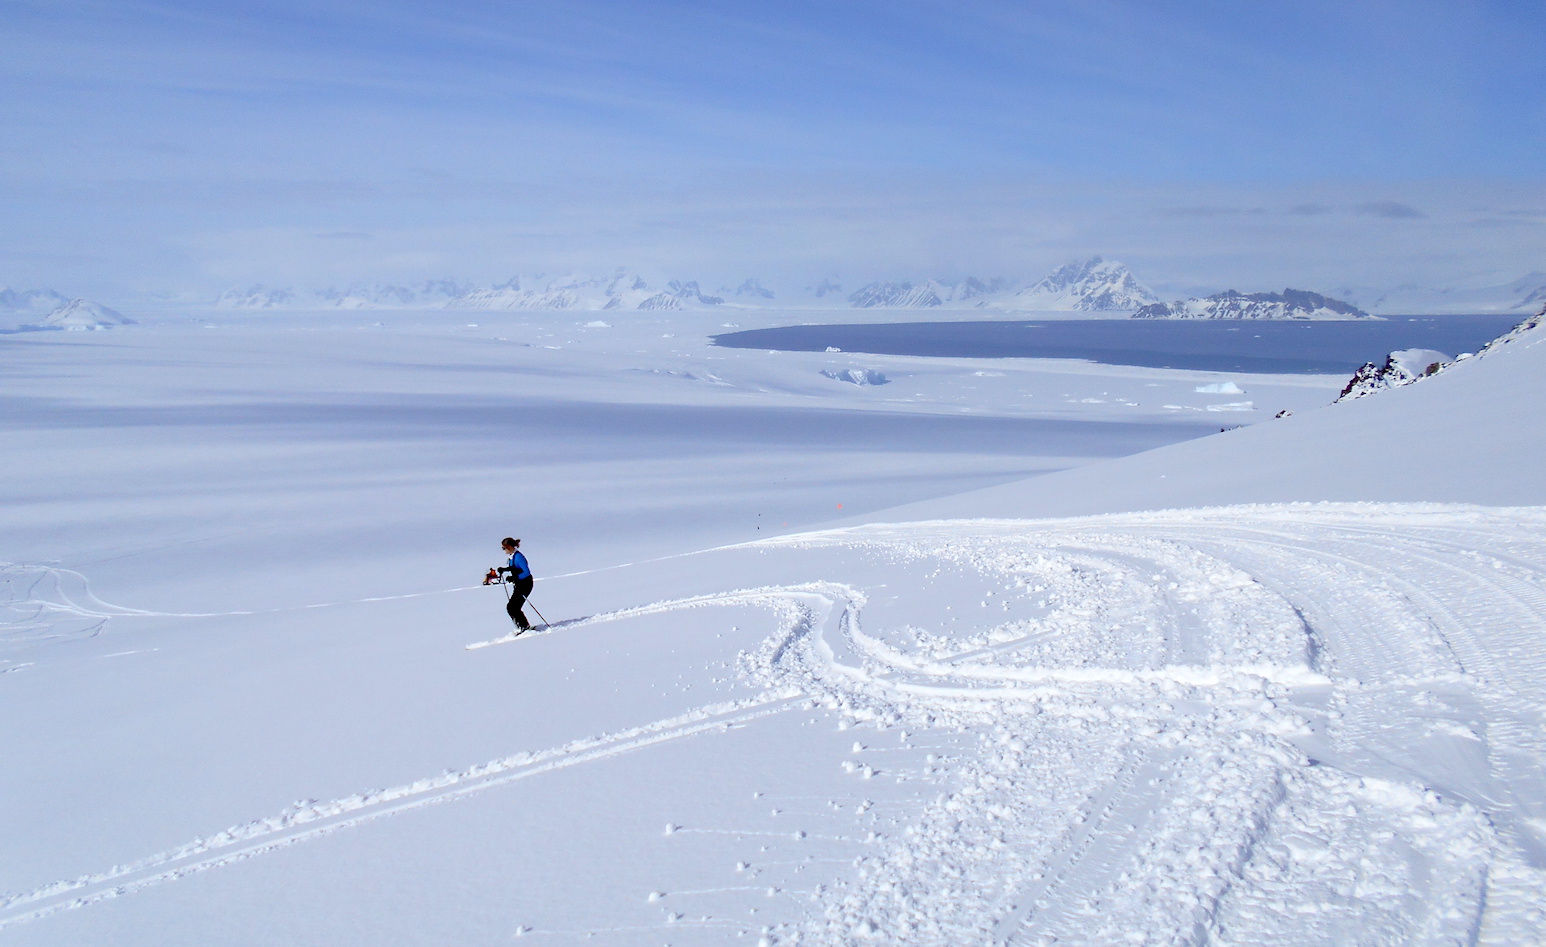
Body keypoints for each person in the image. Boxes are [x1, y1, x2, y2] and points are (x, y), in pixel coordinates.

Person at [494, 537, 534, 631]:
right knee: (512, 607)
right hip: (520, 584)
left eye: (504, 548)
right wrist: (504, 569)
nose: (504, 550)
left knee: (513, 607)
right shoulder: (512, 557)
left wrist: (515, 577)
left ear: (510, 547)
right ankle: (522, 626)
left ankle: (524, 627)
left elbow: (526, 572)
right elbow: (515, 568)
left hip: (525, 583)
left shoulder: (519, 556)